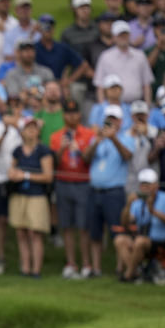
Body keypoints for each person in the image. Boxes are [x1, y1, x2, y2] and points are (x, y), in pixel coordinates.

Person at [85, 105, 136, 277]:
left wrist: (113, 138)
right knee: (95, 232)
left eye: (114, 119)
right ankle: (96, 268)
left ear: (121, 122)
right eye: (108, 119)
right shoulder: (97, 138)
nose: (111, 123)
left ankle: (120, 268)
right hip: (95, 190)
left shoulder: (125, 138)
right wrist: (97, 141)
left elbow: (127, 156)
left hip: (114, 192)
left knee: (118, 231)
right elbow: (86, 158)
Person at [50, 99, 95, 279]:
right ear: (64, 116)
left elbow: (90, 160)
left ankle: (86, 263)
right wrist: (62, 148)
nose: (71, 116)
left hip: (83, 182)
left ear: (79, 114)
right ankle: (70, 263)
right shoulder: (56, 136)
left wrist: (79, 149)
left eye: (74, 113)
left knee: (83, 226)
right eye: (68, 113)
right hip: (63, 181)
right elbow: (53, 163)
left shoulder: (88, 134)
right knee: (67, 226)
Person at [113, 167, 165, 283]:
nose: (145, 188)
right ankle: (136, 273)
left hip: (163, 240)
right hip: (142, 238)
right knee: (120, 240)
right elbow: (125, 223)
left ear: (156, 185)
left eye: (148, 184)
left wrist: (153, 211)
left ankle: (129, 275)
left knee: (140, 241)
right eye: (143, 184)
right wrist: (128, 205)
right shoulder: (138, 202)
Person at [8, 116, 53, 278]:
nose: (32, 131)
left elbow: (48, 176)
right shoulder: (17, 151)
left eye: (34, 128)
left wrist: (25, 176)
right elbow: (11, 170)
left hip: (36, 195)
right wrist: (13, 175)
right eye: (28, 128)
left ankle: (36, 270)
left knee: (35, 233)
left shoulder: (43, 151)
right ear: (22, 132)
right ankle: (25, 268)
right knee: (21, 232)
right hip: (19, 195)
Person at [0, 106, 22, 275]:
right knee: (0, 220)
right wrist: (5, 130)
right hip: (0, 177)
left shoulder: (24, 125)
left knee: (20, 220)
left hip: (18, 178)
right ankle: (1, 258)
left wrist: (16, 126)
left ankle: (23, 259)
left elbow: (31, 142)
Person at [93, 21, 154, 105]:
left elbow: (146, 84)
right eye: (120, 35)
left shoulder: (140, 56)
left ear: (129, 36)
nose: (123, 38)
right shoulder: (106, 57)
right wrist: (102, 107)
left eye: (125, 35)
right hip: (113, 105)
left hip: (136, 104)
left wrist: (148, 105)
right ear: (114, 37)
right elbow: (100, 86)